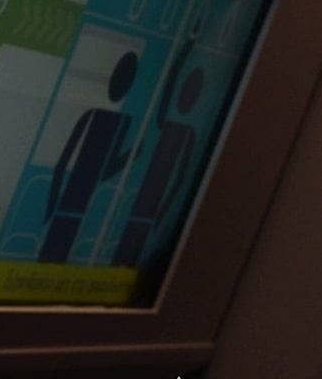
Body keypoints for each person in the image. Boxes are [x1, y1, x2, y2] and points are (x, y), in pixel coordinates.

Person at [40, 50, 139, 262]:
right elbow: (62, 165)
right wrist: (51, 207)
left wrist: (130, 156)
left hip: (85, 204)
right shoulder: (93, 115)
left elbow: (100, 170)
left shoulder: (121, 122)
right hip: (71, 201)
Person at [112, 37, 203, 267]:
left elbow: (181, 179)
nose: (187, 95)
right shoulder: (161, 122)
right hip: (140, 203)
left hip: (153, 211)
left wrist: (162, 215)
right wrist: (187, 47)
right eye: (187, 88)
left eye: (192, 90)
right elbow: (170, 79)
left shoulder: (186, 134)